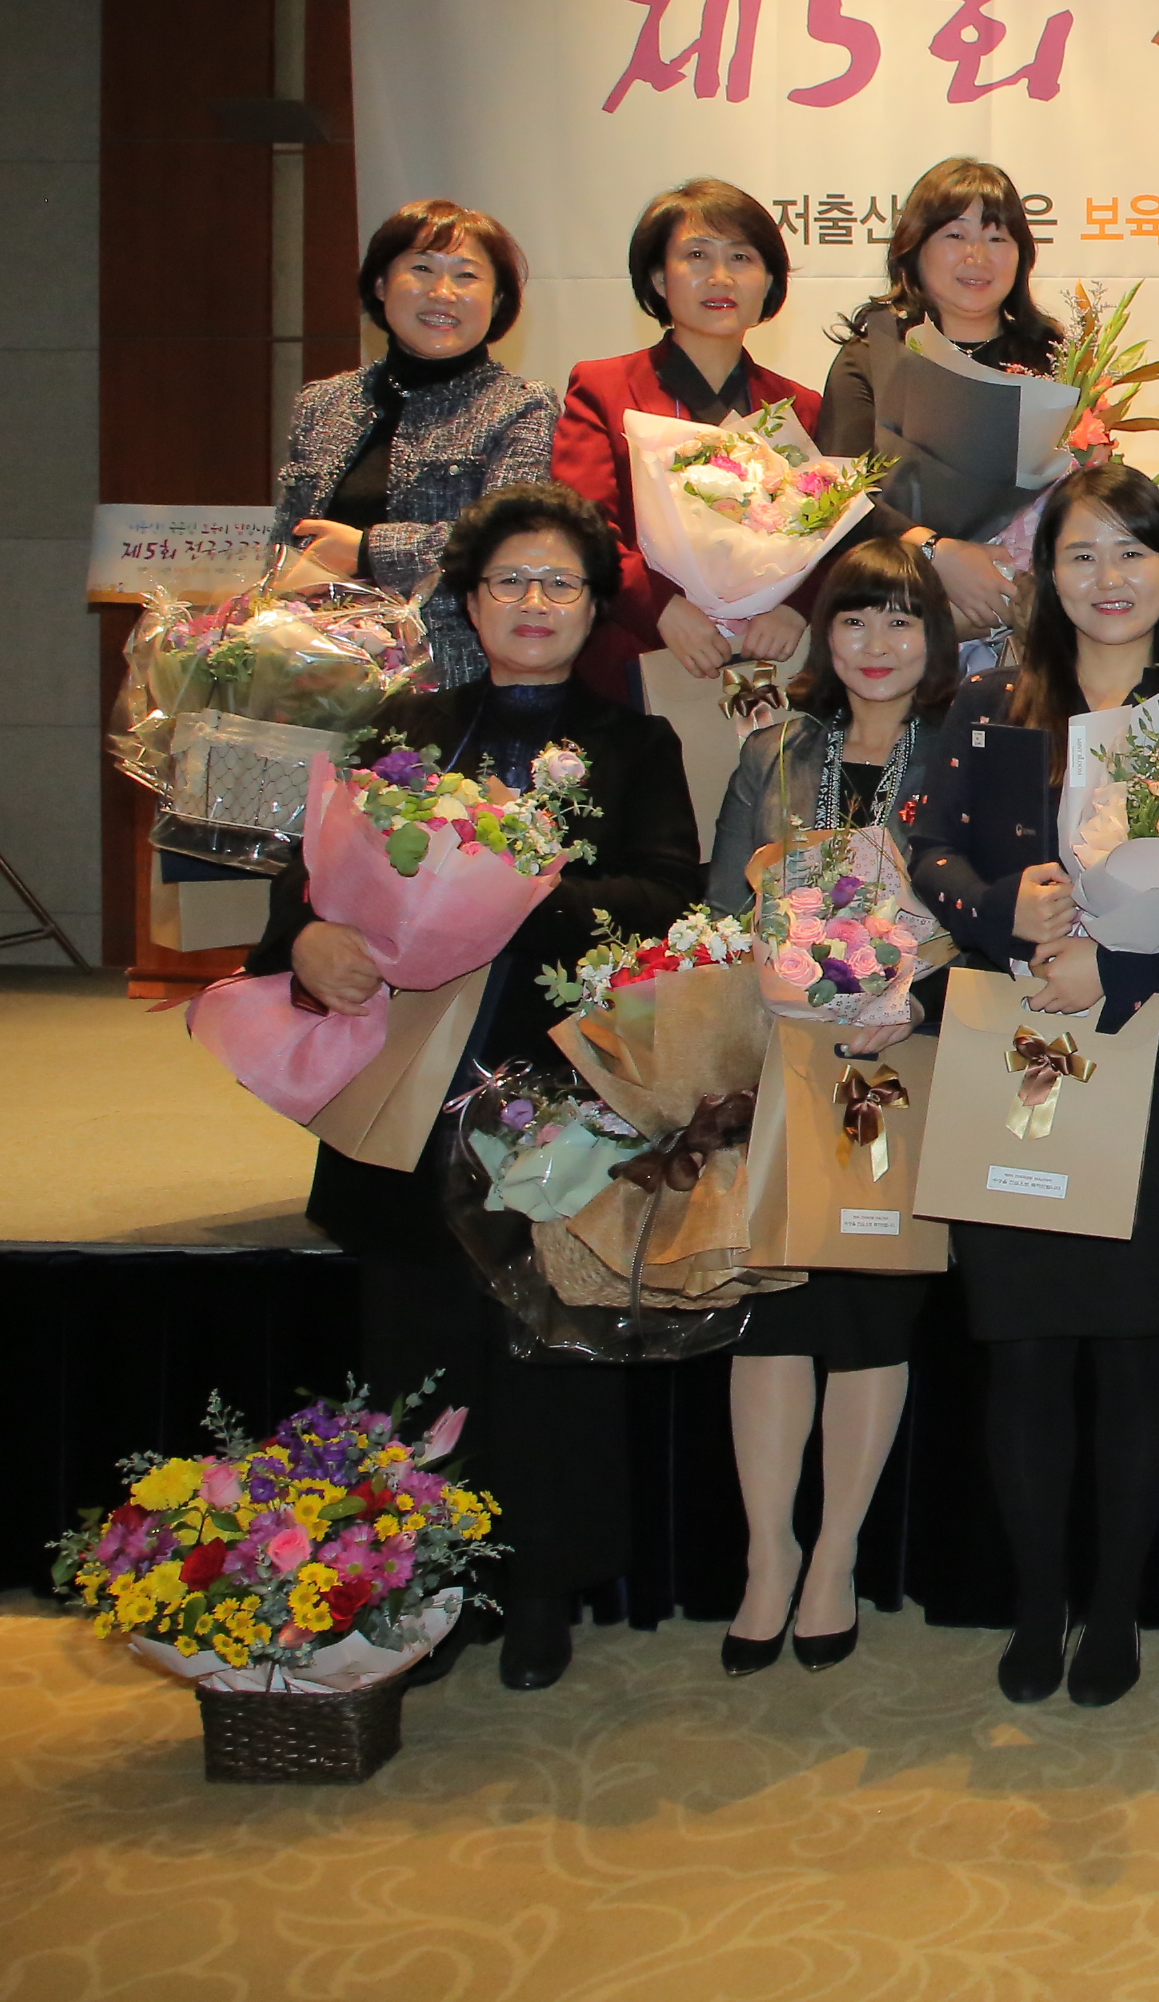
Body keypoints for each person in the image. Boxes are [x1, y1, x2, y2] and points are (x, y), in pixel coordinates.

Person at [245, 482, 699, 1689]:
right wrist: (306, 940)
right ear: (470, 599)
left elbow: (668, 898)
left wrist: (521, 894)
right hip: (405, 1080)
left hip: (550, 1082)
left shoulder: (636, 745)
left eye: (560, 583)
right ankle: (423, 1583)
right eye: (510, 580)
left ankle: (543, 1585)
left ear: (594, 608)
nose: (534, 602)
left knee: (547, 1341)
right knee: (418, 1344)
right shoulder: (403, 729)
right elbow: (310, 879)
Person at [904, 463, 1159, 1709]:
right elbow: (923, 843)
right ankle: (1039, 1605)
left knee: (1137, 1353)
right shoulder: (993, 704)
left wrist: (1124, 955)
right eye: (1082, 554)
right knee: (1027, 1351)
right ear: (1047, 574)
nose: (1110, 578)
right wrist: (1002, 905)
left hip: (1153, 1058)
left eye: (1133, 552)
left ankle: (1116, 1610)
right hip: (1015, 1056)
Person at [701, 536, 952, 1674]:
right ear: (824, 634)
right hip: (781, 1065)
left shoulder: (963, 750)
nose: (877, 643)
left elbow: (982, 913)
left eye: (902, 619)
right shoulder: (775, 749)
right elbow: (718, 909)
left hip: (903, 1066)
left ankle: (836, 1554)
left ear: (935, 637)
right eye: (854, 618)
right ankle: (767, 1553)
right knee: (773, 1316)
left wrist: (914, 992)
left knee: (870, 1316)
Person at [554, 180, 823, 707]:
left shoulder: (801, 406)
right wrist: (660, 607)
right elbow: (580, 527)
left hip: (770, 658)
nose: (720, 277)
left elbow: (832, 540)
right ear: (659, 278)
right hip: (641, 654)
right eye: (696, 255)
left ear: (769, 282)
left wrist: (797, 607)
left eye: (741, 257)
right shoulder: (605, 389)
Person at [270, 199, 559, 687]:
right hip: (317, 672)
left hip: (452, 675)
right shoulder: (322, 402)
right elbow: (285, 545)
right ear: (382, 285)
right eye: (422, 269)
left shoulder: (522, 405)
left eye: (466, 276)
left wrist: (368, 551)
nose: (442, 292)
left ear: (497, 301)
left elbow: (508, 542)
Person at [813, 157, 1067, 651]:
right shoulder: (873, 357)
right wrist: (937, 553)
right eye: (955, 235)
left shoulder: (1056, 362)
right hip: (896, 624)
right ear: (914, 249)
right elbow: (838, 499)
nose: (978, 256)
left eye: (997, 238)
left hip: (1031, 632)